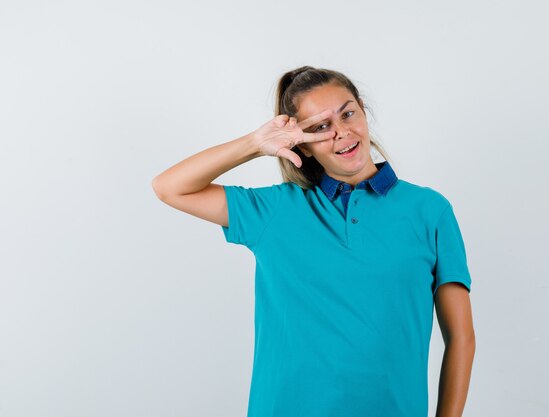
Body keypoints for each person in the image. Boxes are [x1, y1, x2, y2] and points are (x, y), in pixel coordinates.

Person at [152, 66, 475, 417]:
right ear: (299, 141)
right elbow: (170, 187)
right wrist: (255, 145)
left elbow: (460, 339)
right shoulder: (274, 211)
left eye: (347, 113)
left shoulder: (429, 211)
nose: (341, 133)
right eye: (320, 127)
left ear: (363, 111)